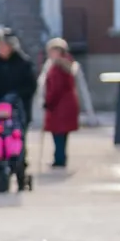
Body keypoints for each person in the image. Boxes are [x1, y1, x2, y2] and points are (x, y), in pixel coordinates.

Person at [39, 37, 81, 168]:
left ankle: (59, 158)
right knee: (62, 134)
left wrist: (48, 102)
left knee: (58, 133)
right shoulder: (67, 64)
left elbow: (55, 88)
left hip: (59, 106)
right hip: (67, 104)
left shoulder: (57, 67)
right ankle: (61, 157)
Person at [0, 29, 36, 120]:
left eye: (5, 45)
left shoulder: (24, 63)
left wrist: (15, 96)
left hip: (17, 113)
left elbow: (30, 86)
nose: (2, 48)